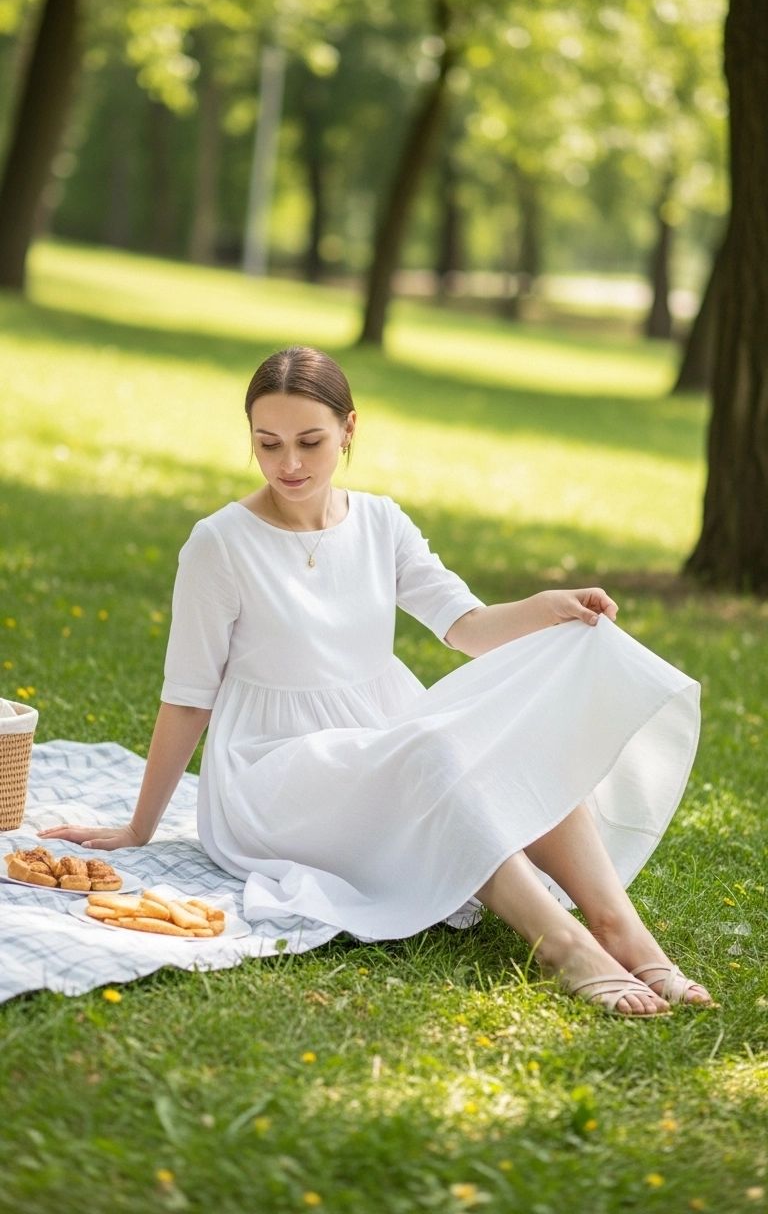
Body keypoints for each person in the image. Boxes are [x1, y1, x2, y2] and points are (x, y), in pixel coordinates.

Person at [43, 346, 712, 1015]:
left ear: (350, 429)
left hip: (380, 730)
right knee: (433, 755)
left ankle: (620, 925)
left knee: (502, 741)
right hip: (273, 770)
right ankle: (562, 943)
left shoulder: (381, 522)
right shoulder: (219, 544)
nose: (290, 465)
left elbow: (466, 626)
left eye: (311, 441)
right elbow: (189, 697)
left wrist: (546, 608)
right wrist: (139, 827)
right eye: (268, 443)